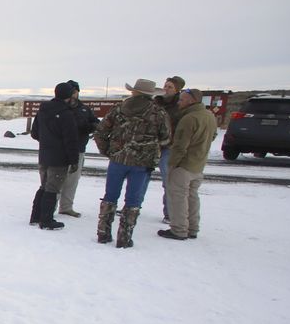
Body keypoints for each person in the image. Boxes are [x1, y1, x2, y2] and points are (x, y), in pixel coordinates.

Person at [92, 78, 172, 248]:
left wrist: (108, 151)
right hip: (142, 164)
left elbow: (100, 132)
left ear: (134, 92)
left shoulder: (118, 109)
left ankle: (103, 233)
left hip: (118, 160)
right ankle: (125, 237)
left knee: (110, 196)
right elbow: (166, 138)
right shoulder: (159, 113)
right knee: (133, 200)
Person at [158, 88, 217, 241]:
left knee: (178, 197)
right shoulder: (209, 116)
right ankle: (192, 228)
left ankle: (179, 229)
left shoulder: (189, 119)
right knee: (192, 197)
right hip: (198, 164)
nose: (179, 102)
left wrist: (172, 164)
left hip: (183, 165)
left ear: (191, 101)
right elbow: (213, 136)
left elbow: (180, 146)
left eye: (182, 100)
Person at [28, 82, 81, 231]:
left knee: (44, 186)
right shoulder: (66, 114)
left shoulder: (44, 110)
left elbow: (34, 133)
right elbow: (71, 140)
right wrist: (74, 160)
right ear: (68, 96)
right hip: (59, 158)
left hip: (44, 155)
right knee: (52, 188)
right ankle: (46, 220)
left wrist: (47, 142)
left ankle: (36, 216)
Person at [57, 79, 99, 217]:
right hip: (61, 149)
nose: (74, 95)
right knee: (56, 180)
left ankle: (66, 207)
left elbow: (95, 123)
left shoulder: (84, 109)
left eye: (75, 92)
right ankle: (50, 206)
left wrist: (90, 127)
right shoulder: (59, 108)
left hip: (79, 148)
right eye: (71, 92)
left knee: (73, 180)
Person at [153, 75, 185, 220]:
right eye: (165, 86)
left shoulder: (181, 106)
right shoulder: (156, 102)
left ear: (178, 89)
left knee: (168, 180)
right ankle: (132, 207)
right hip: (153, 146)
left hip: (168, 148)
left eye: (170, 87)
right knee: (141, 177)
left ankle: (169, 213)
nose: (166, 89)